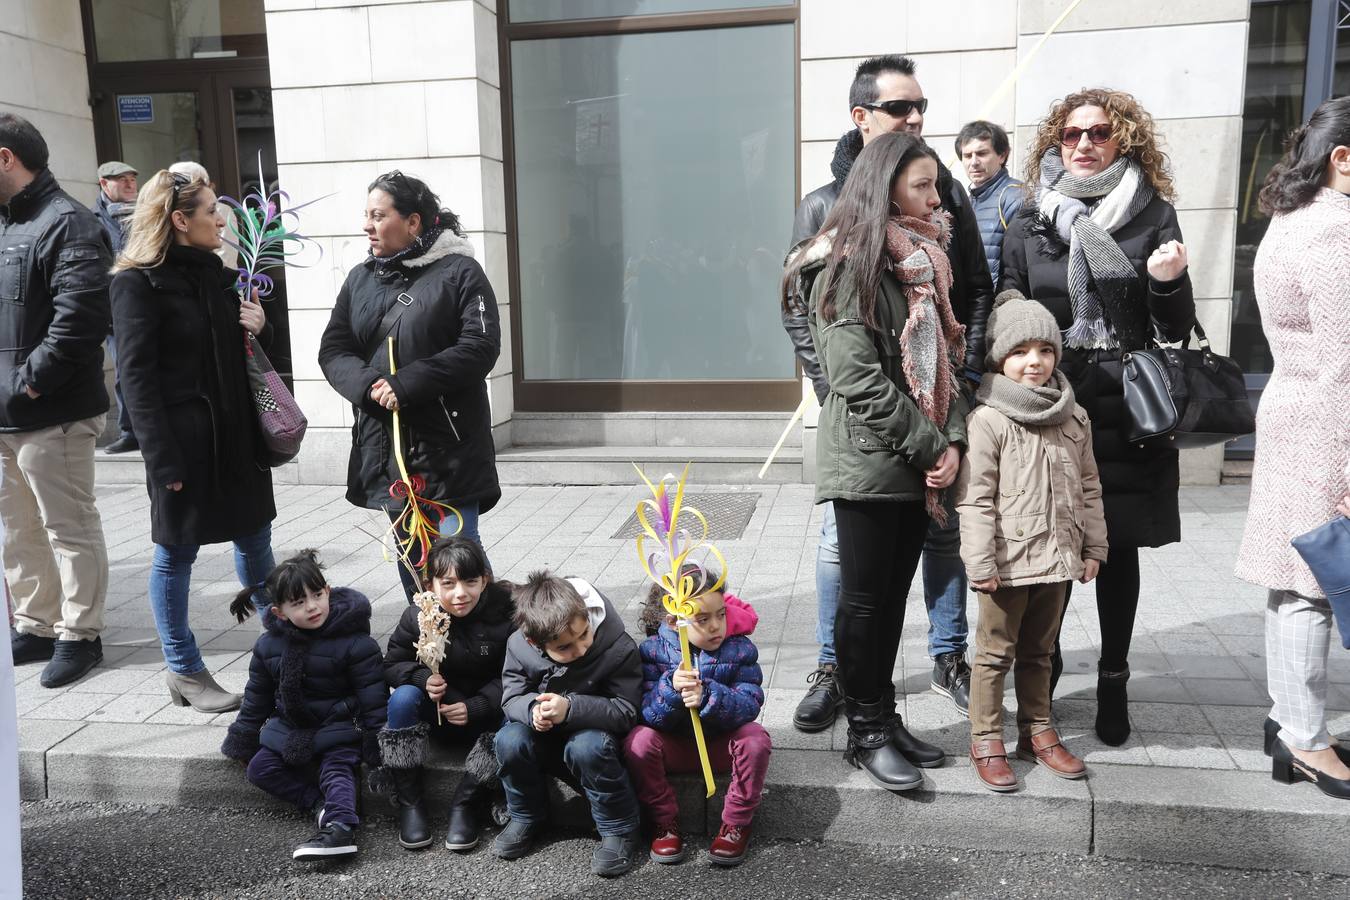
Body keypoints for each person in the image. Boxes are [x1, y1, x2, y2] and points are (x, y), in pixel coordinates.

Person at [783, 55, 992, 732]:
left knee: (889, 597)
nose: (939, 199)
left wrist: (952, 436)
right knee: (863, 599)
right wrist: (931, 439)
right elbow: (853, 372)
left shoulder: (921, 258)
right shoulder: (845, 258)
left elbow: (949, 348)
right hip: (874, 453)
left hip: (915, 450)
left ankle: (885, 715)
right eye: (926, 187)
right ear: (887, 184)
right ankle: (867, 722)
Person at [999, 87, 1195, 747]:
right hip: (1049, 403)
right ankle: (1043, 678)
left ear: (1124, 139)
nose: (1084, 143)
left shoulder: (1151, 213)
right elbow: (1010, 303)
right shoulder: (1029, 221)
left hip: (1123, 408)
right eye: (1072, 134)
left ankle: (1114, 678)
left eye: (1100, 133)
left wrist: (1168, 280)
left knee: (1118, 555)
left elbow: (1170, 326)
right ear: (1057, 143)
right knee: (1047, 552)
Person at [110, 169, 277, 714]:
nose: (221, 219)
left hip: (237, 438)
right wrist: (161, 459)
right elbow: (134, 379)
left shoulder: (221, 277)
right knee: (175, 555)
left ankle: (284, 643)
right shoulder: (135, 283)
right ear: (180, 220)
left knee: (255, 540)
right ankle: (183, 669)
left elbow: (240, 359)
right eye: (210, 211)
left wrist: (256, 325)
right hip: (182, 445)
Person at [1235, 95, 1350, 799]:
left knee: (1293, 579)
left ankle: (1288, 725)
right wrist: (1346, 466)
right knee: (1315, 585)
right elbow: (1346, 360)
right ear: (1343, 158)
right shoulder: (1335, 232)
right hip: (1327, 422)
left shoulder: (1291, 219)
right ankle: (1307, 741)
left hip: (1294, 412)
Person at [319, 171, 501, 601]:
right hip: (387, 449)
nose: (367, 225)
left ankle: (480, 650)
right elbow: (333, 349)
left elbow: (480, 346)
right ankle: (431, 651)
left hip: (448, 450)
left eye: (378, 216)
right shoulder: (361, 278)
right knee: (414, 566)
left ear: (414, 222)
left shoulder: (461, 272)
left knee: (459, 564)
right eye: (366, 215)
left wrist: (407, 384)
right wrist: (369, 387)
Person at [955, 290, 1108, 792]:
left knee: (1040, 651)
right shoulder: (989, 420)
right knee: (995, 652)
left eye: (1044, 350)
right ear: (1000, 359)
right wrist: (979, 562)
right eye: (1020, 352)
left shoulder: (1074, 416)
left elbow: (1088, 486)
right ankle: (986, 737)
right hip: (1007, 562)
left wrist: (1094, 547)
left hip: (1058, 559)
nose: (1034, 362)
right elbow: (975, 498)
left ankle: (1037, 731)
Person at [0, 113, 112, 688]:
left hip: (52, 411)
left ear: (5, 158)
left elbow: (81, 318)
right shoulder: (6, 223)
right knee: (17, 530)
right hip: (6, 414)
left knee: (68, 527)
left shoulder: (68, 221)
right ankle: (37, 626)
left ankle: (81, 633)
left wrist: (28, 384)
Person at [220, 551, 388, 860]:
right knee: (260, 768)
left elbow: (373, 698)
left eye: (316, 595)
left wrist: (376, 746)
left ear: (328, 591)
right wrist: (243, 739)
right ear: (279, 612)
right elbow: (257, 696)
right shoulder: (269, 646)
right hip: (290, 729)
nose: (312, 607)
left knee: (337, 770)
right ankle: (320, 806)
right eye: (298, 603)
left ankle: (340, 828)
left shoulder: (355, 642)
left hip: (339, 728)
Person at [494, 570, 642, 877]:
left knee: (587, 747)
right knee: (509, 739)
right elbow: (512, 698)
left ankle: (619, 827)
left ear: (587, 615)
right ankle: (525, 814)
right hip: (545, 732)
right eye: (565, 647)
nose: (581, 649)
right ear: (535, 642)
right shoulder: (518, 645)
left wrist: (572, 708)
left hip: (595, 734)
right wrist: (533, 708)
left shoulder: (616, 645)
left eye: (584, 634)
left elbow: (626, 709)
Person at [624, 567, 770, 867]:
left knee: (756, 739)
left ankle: (736, 824)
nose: (716, 626)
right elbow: (647, 713)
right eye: (703, 619)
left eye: (721, 614)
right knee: (637, 742)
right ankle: (664, 823)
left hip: (719, 745)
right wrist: (670, 689)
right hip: (675, 747)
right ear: (674, 620)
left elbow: (750, 703)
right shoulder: (653, 651)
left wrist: (710, 696)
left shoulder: (739, 648)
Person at [378, 535, 514, 851]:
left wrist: (478, 705)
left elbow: (517, 675)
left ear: (485, 580)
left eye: (470, 581)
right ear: (430, 584)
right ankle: (410, 801)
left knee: (517, 713)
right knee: (402, 698)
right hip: (436, 717)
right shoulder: (418, 615)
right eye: (448, 583)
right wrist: (422, 677)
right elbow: (392, 663)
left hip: (486, 719)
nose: (460, 593)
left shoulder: (506, 615)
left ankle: (466, 802)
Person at [95, 161, 140, 455]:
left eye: (132, 180)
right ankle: (130, 431)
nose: (129, 184)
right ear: (103, 184)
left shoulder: (147, 214)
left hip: (146, 303)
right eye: (120, 180)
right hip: (114, 310)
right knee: (125, 370)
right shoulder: (91, 220)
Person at [956, 121, 1024, 288]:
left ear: (1002, 155)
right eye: (967, 155)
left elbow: (1020, 268)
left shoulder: (1015, 197)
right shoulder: (968, 199)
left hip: (1001, 307)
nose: (974, 162)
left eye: (982, 153)